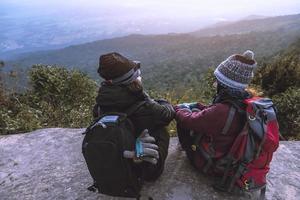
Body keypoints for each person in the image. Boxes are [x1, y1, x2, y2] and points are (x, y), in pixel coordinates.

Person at [174, 50, 276, 194]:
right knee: (195, 112)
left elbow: (190, 121)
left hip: (217, 165)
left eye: (217, 80)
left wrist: (178, 109)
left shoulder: (222, 110)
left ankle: (188, 152)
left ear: (225, 83)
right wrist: (200, 107)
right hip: (236, 161)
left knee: (183, 122)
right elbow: (213, 115)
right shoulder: (247, 102)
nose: (215, 83)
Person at [93, 52, 175, 181]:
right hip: (144, 169)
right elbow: (168, 114)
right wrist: (159, 101)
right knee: (161, 128)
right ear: (131, 80)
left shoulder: (101, 103)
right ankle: (148, 166)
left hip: (116, 162)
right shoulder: (145, 107)